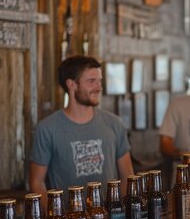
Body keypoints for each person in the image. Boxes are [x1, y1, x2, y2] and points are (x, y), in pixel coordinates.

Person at [29, 55, 134, 209]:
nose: (98, 87)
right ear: (71, 84)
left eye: (100, 81)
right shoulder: (47, 128)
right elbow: (36, 182)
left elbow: (127, 177)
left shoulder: (114, 123)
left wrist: (118, 213)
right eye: (91, 81)